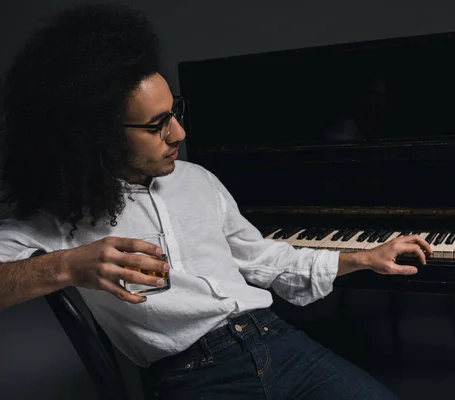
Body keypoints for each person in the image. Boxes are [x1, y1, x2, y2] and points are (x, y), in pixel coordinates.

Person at [0, 4, 432, 399]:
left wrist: (361, 258)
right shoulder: (61, 215)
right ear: (95, 135)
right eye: (156, 126)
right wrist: (67, 265)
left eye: (176, 114)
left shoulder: (198, 180)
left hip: (277, 342)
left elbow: (262, 257)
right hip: (192, 375)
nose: (179, 135)